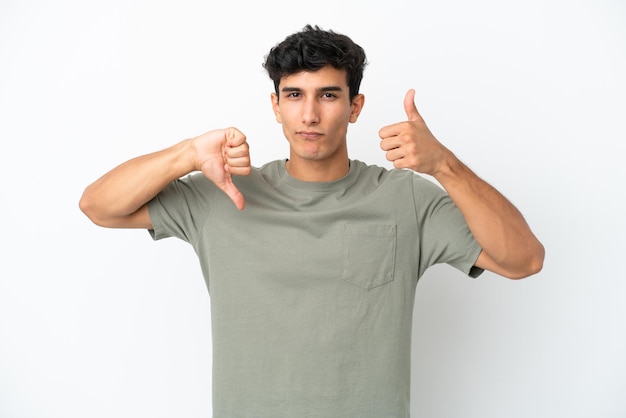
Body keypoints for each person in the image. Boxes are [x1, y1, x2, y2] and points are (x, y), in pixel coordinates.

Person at [80, 24, 544, 418]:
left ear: (354, 106)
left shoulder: (406, 199)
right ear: (275, 106)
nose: (309, 114)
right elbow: (99, 206)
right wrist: (186, 155)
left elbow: (523, 259)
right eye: (294, 95)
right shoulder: (222, 194)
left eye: (328, 95)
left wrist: (444, 165)